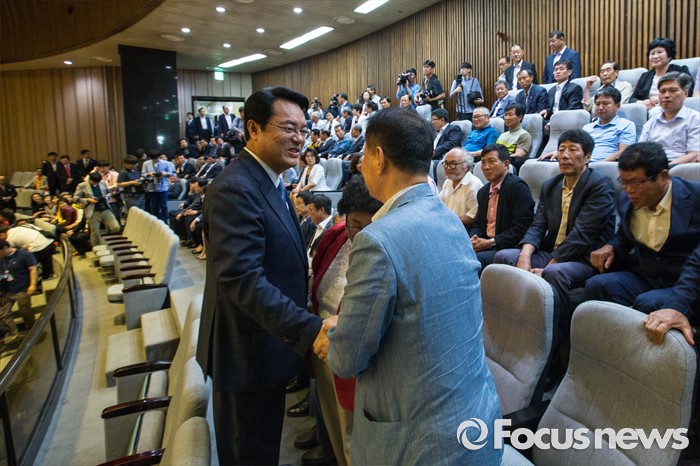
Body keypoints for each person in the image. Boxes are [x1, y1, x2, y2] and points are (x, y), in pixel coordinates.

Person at [314, 108, 502, 465]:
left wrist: (335, 330)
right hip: (476, 420)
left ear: (379, 157)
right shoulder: (450, 220)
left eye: (364, 156)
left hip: (419, 444)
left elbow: (346, 359)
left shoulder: (376, 240)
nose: (360, 166)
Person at [196, 86, 325, 465]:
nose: (299, 139)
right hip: (245, 355)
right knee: (249, 454)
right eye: (288, 128)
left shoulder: (271, 181)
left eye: (303, 130)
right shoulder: (236, 189)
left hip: (264, 349)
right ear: (253, 129)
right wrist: (309, 329)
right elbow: (243, 280)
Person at [494, 129, 616, 339]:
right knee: (504, 256)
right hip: (552, 252)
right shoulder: (551, 185)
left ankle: (555, 339)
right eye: (561, 149)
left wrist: (546, 267)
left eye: (572, 150)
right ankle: (514, 324)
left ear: (587, 156)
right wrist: (525, 256)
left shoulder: (599, 184)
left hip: (582, 258)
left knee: (554, 273)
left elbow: (583, 234)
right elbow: (538, 224)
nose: (564, 155)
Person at [582, 142, 700, 328]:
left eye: (636, 183)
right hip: (648, 275)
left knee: (648, 303)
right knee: (597, 286)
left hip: (689, 284)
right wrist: (612, 246)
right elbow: (625, 234)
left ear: (663, 177)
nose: (629, 190)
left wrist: (678, 304)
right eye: (624, 182)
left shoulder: (695, 198)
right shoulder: (627, 200)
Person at [309, 175, 382, 466]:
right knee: (331, 418)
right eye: (355, 225)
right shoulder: (335, 236)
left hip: (354, 350)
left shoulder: (384, 248)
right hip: (321, 338)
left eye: (369, 226)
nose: (360, 234)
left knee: (353, 435)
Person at [470, 144, 535, 270]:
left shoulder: (517, 187)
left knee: (474, 260)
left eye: (491, 161)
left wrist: (491, 242)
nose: (486, 167)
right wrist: (474, 238)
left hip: (509, 247)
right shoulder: (483, 192)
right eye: (483, 162)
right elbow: (477, 224)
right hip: (487, 245)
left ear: (506, 164)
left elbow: (522, 228)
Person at [541, 87, 635, 162]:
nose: (600, 107)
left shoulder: (626, 125)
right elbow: (576, 147)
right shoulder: (588, 127)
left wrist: (599, 165)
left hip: (605, 166)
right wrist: (559, 152)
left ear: (617, 106)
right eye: (597, 104)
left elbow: (623, 152)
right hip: (581, 165)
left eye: (606, 103)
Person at [639, 71, 700, 164]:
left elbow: (694, 155)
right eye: (662, 91)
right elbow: (640, 151)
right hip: (652, 167)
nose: (666, 95)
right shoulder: (651, 122)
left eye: (673, 90)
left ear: (685, 94)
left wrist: (666, 168)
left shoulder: (696, 119)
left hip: (681, 168)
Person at [631, 37, 694, 108]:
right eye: (652, 53)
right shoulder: (645, 76)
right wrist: (641, 102)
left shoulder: (680, 71)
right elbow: (632, 99)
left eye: (659, 52)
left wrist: (661, 99)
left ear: (669, 55)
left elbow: (689, 91)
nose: (655, 56)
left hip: (671, 107)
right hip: (647, 109)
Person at [0, 240, 38, 351]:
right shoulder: (2, 259)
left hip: (22, 289)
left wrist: (32, 285)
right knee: (4, 314)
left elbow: (33, 269)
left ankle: (32, 328)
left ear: (5, 248)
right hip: (7, 291)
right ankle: (13, 336)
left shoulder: (23, 254)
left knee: (25, 311)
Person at [438, 148, 483, 228]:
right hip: (446, 225)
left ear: (466, 166)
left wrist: (447, 221)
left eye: (453, 164)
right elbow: (439, 205)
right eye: (446, 163)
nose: (448, 168)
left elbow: (471, 217)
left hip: (463, 228)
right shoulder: (448, 181)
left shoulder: (474, 185)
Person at [74, 172, 121, 248]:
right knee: (95, 233)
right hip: (93, 211)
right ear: (90, 179)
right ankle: (96, 249)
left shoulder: (102, 183)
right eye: (94, 182)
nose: (96, 183)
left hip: (105, 208)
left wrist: (106, 197)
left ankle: (108, 242)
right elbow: (76, 199)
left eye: (98, 182)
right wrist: (88, 200)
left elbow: (109, 193)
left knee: (116, 227)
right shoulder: (82, 185)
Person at [496, 103, 532, 173]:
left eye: (510, 115)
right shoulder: (502, 135)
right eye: (505, 115)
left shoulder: (524, 135)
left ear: (519, 117)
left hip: (509, 166)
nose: (507, 118)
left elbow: (518, 155)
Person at [141, 150, 174, 222]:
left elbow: (171, 173)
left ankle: (165, 221)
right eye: (153, 159)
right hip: (152, 187)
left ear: (159, 157)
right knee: (154, 206)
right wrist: (149, 174)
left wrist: (165, 173)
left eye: (156, 159)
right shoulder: (146, 163)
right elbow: (143, 174)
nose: (155, 161)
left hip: (163, 187)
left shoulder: (166, 163)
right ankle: (156, 221)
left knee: (163, 205)